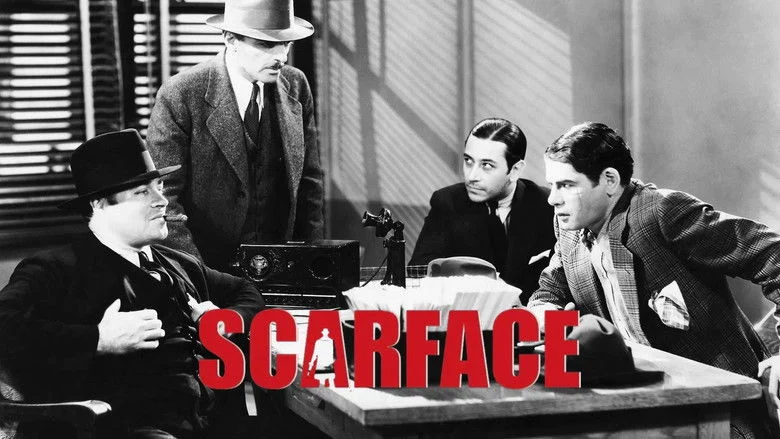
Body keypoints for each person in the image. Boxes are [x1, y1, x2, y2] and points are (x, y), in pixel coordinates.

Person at [0, 129, 265, 438]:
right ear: (99, 204)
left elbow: (247, 291)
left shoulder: (181, 264)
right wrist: (98, 339)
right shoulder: (56, 270)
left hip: (212, 424)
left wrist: (224, 320)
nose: (162, 201)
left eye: (160, 187)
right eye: (142, 192)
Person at [527, 121, 780, 437]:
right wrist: (543, 313)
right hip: (641, 405)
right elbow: (551, 288)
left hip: (719, 407)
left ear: (609, 180)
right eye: (552, 185)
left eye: (566, 185)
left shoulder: (662, 212)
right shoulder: (569, 228)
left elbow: (773, 256)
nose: (552, 199)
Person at [146, 0, 324, 270]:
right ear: (230, 39)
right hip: (208, 268)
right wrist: (200, 277)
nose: (281, 56)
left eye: (285, 44)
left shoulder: (296, 85)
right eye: (266, 44)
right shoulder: (181, 93)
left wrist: (311, 266)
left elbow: (309, 186)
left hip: (281, 270)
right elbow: (163, 199)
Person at [409, 118, 555, 302]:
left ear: (515, 170)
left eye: (486, 165)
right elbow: (419, 272)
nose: (472, 176)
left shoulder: (548, 205)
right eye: (468, 161)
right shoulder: (447, 202)